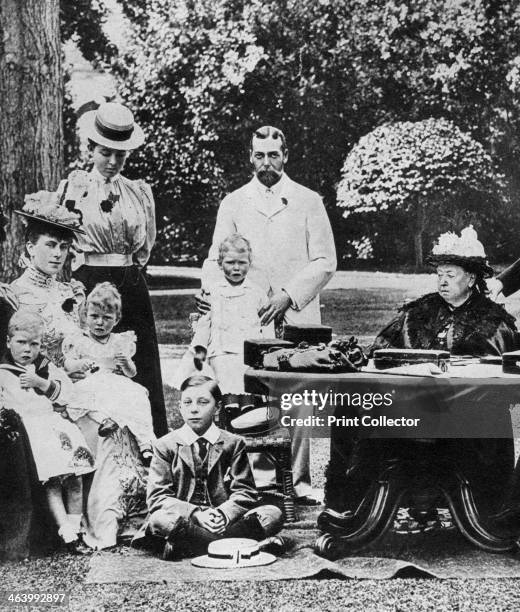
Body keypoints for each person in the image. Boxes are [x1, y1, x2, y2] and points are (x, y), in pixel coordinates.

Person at [325, 226, 517, 517]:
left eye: (450, 275)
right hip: (410, 405)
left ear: (472, 278)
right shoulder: (419, 311)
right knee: (349, 407)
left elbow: (497, 375)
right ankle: (349, 504)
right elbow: (379, 352)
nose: (442, 281)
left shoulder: (493, 320)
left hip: (465, 412)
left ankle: (480, 508)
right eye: (439, 274)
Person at [200, 126, 337, 503]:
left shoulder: (308, 201)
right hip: (250, 313)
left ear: (286, 155)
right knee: (252, 392)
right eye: (259, 156)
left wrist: (290, 295)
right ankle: (258, 481)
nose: (266, 163)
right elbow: (216, 258)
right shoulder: (234, 202)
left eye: (273, 155)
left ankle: (301, 482)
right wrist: (212, 294)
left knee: (300, 395)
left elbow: (326, 260)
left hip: (297, 312)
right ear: (250, 157)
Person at [10, 190, 148, 551]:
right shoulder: (15, 295)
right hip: (43, 389)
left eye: (64, 247)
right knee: (101, 414)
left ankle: (124, 511)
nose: (59, 254)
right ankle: (92, 519)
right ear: (29, 247)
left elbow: (83, 341)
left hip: (79, 379)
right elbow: (21, 355)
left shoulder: (70, 290)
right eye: (50, 245)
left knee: (123, 404)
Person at [58, 101, 167, 437]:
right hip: (89, 282)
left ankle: (149, 453)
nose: (113, 161)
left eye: (121, 155)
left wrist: (128, 273)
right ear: (91, 148)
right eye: (106, 152)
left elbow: (144, 248)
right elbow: (64, 240)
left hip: (130, 285)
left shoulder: (137, 193)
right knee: (92, 363)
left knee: (139, 367)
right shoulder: (74, 189)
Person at [136, 375, 283, 560]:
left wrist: (223, 514)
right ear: (180, 407)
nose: (194, 409)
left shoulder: (234, 443)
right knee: (159, 520)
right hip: (186, 521)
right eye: (187, 403)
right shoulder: (165, 445)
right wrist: (196, 514)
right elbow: (158, 497)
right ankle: (234, 545)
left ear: (217, 407)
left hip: (224, 522)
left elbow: (245, 492)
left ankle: (192, 546)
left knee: (273, 514)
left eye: (203, 402)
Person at [0, 311, 95, 552]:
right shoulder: (3, 371)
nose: (27, 350)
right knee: (52, 481)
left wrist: (40, 383)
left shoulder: (44, 366)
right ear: (8, 341)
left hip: (54, 425)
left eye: (35, 344)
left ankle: (77, 529)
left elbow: (67, 393)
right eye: (21, 342)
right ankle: (67, 534)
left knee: (75, 477)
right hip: (30, 431)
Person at [63, 283, 155, 464]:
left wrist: (126, 362)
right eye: (94, 316)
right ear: (85, 316)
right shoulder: (79, 340)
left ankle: (146, 442)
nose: (99, 322)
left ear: (116, 319)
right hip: (89, 380)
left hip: (113, 380)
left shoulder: (120, 341)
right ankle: (108, 420)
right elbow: (67, 365)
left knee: (137, 394)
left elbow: (131, 373)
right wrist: (78, 365)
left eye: (106, 318)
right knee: (86, 395)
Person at [175, 233, 274, 393]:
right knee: (225, 390)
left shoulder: (257, 293)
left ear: (250, 263)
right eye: (230, 262)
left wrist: (268, 352)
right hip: (220, 352)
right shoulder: (213, 292)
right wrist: (200, 349)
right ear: (220, 264)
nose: (236, 268)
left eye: (242, 263)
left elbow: (266, 324)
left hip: (248, 354)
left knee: (247, 391)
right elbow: (204, 325)